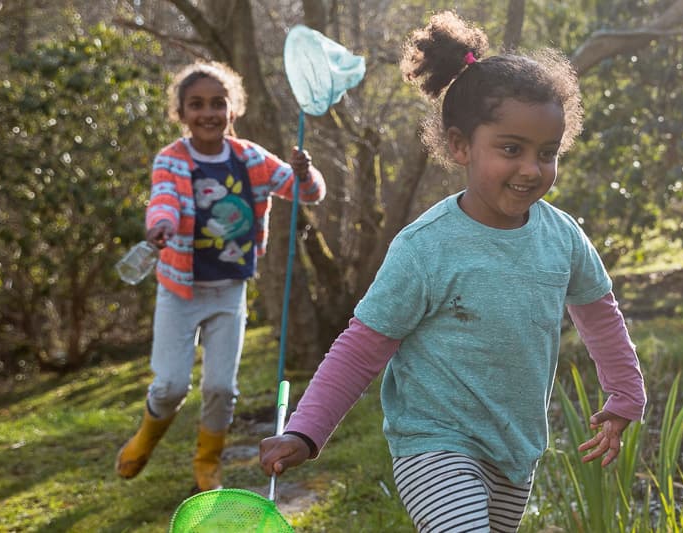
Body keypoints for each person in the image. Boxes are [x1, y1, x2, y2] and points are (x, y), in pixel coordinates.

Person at [256, 11, 646, 532]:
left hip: (516, 448)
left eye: (546, 153)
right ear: (460, 145)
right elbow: (363, 346)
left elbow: (600, 315)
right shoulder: (426, 248)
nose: (532, 168)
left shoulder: (563, 237)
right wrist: (306, 431)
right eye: (511, 149)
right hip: (434, 443)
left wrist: (625, 393)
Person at [115, 60, 327, 493]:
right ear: (182, 113)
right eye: (196, 105)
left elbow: (307, 193)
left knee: (220, 388)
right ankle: (145, 437)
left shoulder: (249, 158)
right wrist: (161, 225)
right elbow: (164, 200)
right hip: (180, 290)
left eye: (217, 103)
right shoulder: (172, 160)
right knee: (171, 385)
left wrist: (306, 172)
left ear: (233, 110)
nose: (207, 113)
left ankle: (208, 459)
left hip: (229, 291)